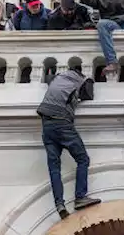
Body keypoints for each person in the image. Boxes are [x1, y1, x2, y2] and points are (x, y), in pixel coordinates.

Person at [36, 69, 100, 219]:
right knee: (83, 159)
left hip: (46, 124)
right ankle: (80, 197)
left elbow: (49, 79)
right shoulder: (82, 80)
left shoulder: (56, 78)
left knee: (54, 167)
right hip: (62, 123)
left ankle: (59, 204)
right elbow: (89, 94)